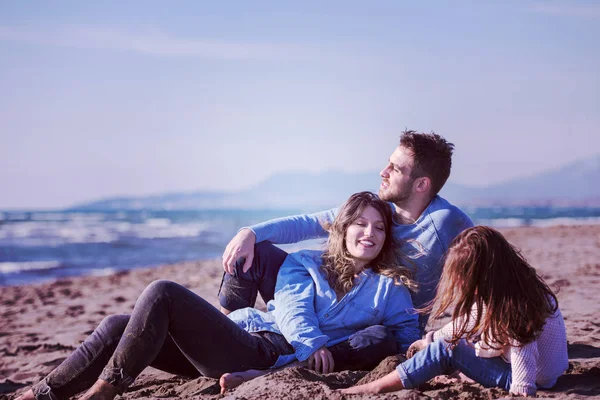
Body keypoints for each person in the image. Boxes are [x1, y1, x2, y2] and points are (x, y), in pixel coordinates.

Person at [16, 192, 419, 400]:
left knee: (163, 293)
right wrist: (311, 343)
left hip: (267, 354)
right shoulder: (305, 264)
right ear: (342, 229)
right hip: (248, 341)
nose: (369, 234)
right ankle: (44, 392)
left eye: (379, 229)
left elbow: (403, 332)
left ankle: (104, 392)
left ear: (386, 239)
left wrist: (421, 347)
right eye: (360, 225)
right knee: (116, 325)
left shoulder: (389, 287)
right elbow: (294, 308)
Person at [220, 130, 473, 333]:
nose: (382, 172)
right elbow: (307, 224)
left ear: (421, 184)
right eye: (388, 164)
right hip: (332, 301)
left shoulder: (445, 222)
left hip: (375, 325)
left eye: (395, 168)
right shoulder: (376, 209)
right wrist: (250, 232)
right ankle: (226, 333)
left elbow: (488, 273)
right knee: (252, 252)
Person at [341, 226, 569, 397]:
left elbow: (523, 383)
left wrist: (518, 389)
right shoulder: (513, 289)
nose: (459, 283)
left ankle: (375, 387)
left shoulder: (516, 311)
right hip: (542, 373)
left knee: (449, 349)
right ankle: (436, 368)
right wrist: (429, 340)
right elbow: (469, 320)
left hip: (531, 378)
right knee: (451, 343)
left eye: (463, 276)